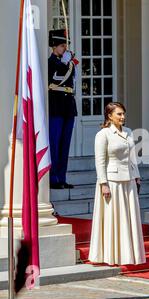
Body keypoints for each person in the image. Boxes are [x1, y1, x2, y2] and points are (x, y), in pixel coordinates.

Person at [88, 102, 146, 266]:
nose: (123, 117)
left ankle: (128, 255)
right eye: (119, 114)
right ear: (109, 116)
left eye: (123, 114)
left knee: (129, 218)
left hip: (129, 181)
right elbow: (100, 162)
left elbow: (132, 157)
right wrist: (103, 183)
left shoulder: (128, 132)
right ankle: (110, 255)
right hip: (112, 182)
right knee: (112, 219)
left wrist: (137, 176)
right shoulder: (103, 134)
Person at [48, 29, 78, 189]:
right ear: (53, 47)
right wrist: (64, 63)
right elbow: (54, 79)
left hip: (68, 106)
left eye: (65, 44)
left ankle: (62, 177)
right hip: (56, 105)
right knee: (55, 142)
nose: (65, 48)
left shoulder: (69, 63)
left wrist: (67, 63)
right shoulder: (51, 62)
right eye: (61, 45)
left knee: (65, 144)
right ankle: (53, 179)